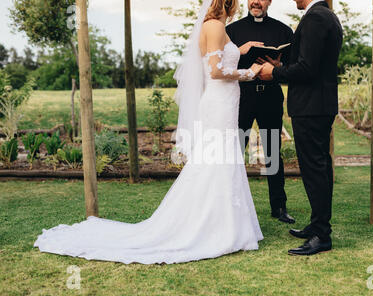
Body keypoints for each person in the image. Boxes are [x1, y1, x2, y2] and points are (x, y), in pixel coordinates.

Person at [34, 0, 264, 265]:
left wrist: (240, 50)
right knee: (214, 162)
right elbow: (214, 71)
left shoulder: (214, 26)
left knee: (221, 161)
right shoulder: (214, 25)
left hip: (224, 103)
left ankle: (227, 226)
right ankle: (214, 227)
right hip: (219, 103)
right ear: (229, 2)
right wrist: (250, 72)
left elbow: (220, 58)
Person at [259, 0, 343, 255]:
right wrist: (281, 65)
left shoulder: (316, 18)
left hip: (311, 107)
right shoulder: (326, 15)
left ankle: (321, 235)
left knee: (314, 169)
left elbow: (307, 69)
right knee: (320, 167)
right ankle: (317, 225)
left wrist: (274, 73)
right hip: (319, 105)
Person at [226, 0, 296, 224]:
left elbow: (294, 67)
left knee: (273, 152)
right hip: (241, 97)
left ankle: (279, 206)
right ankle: (230, 204)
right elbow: (221, 63)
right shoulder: (232, 30)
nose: (256, 1)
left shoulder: (283, 30)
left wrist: (278, 66)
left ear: (269, 1)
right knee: (236, 151)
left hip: (270, 97)